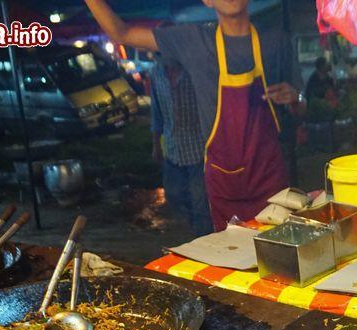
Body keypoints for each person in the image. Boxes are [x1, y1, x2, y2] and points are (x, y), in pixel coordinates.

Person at [83, 0, 302, 230]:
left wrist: (296, 98)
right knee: (235, 260)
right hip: (224, 184)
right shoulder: (193, 40)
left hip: (270, 183)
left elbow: (300, 110)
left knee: (279, 258)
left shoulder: (276, 41)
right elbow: (121, 32)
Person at [150, 55, 212, 239]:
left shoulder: (195, 71)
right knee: (174, 196)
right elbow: (157, 113)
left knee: (201, 202)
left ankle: (205, 242)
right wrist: (156, 145)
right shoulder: (156, 73)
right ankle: (194, 231)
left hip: (199, 148)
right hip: (173, 148)